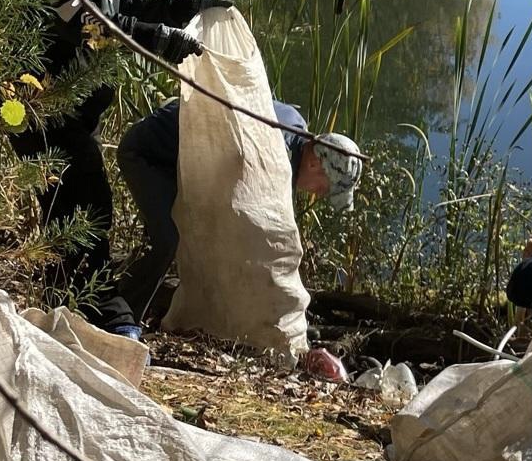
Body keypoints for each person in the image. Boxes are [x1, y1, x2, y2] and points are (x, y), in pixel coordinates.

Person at [10, 0, 231, 334]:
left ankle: (63, 317)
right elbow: (75, 14)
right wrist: (156, 39)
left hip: (70, 105)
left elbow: (121, 1)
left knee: (72, 210)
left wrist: (183, 8)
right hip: (41, 100)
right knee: (86, 208)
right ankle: (106, 321)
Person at [113, 96, 362, 335]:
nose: (317, 194)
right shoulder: (277, 159)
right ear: (314, 164)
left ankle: (109, 297)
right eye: (323, 187)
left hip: (179, 159)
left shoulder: (294, 123)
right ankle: (120, 322)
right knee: (167, 239)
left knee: (169, 237)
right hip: (151, 152)